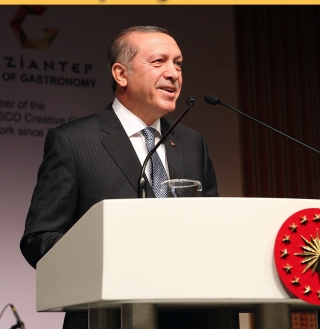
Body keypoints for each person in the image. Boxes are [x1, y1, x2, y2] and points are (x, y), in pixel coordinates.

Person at [20, 26, 218, 329]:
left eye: (178, 64)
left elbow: (214, 229)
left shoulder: (193, 143)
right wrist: (110, 262)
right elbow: (40, 238)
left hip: (187, 318)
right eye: (159, 62)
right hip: (107, 317)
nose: (173, 74)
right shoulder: (74, 141)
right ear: (121, 74)